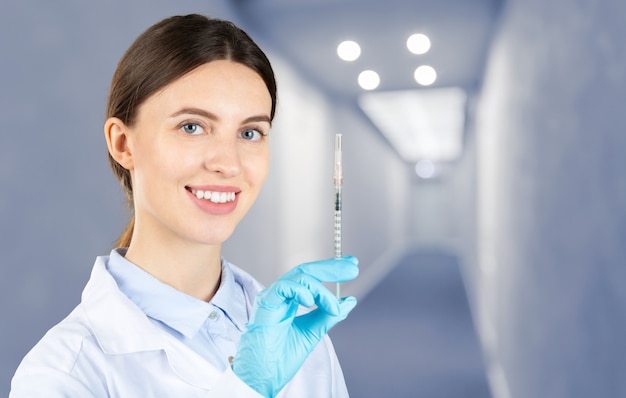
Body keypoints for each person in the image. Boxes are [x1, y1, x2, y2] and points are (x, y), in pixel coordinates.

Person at [10, 14, 359, 397]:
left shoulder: (295, 336)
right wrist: (247, 387)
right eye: (192, 126)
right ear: (123, 144)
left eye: (250, 132)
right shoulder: (63, 375)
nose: (228, 163)